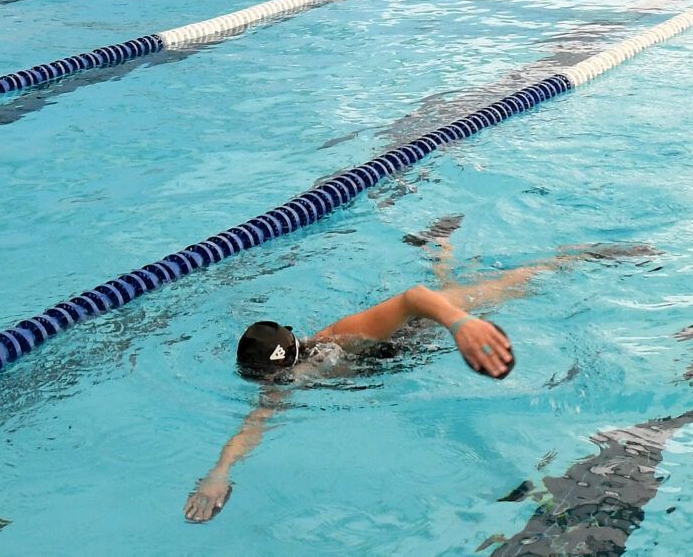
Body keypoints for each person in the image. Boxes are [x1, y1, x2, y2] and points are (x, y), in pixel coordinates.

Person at [183, 222, 628, 523]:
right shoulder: (285, 381)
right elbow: (254, 426)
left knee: (516, 284)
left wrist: (460, 323)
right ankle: (442, 245)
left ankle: (581, 255)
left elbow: (415, 298)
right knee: (449, 282)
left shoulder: (343, 337)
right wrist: (219, 471)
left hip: (424, 326)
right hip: (406, 350)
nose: (272, 390)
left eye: (272, 381)